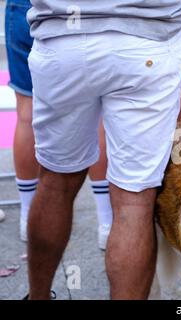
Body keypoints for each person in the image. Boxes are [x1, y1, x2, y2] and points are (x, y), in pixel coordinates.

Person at [26, 0, 181, 300]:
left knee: (55, 182)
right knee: (134, 199)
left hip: (63, 39)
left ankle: (37, 297)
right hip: (146, 38)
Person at [4, 0, 112, 250]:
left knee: (26, 114)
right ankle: (106, 222)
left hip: (27, 8)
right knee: (99, 114)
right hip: (87, 11)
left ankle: (28, 215)